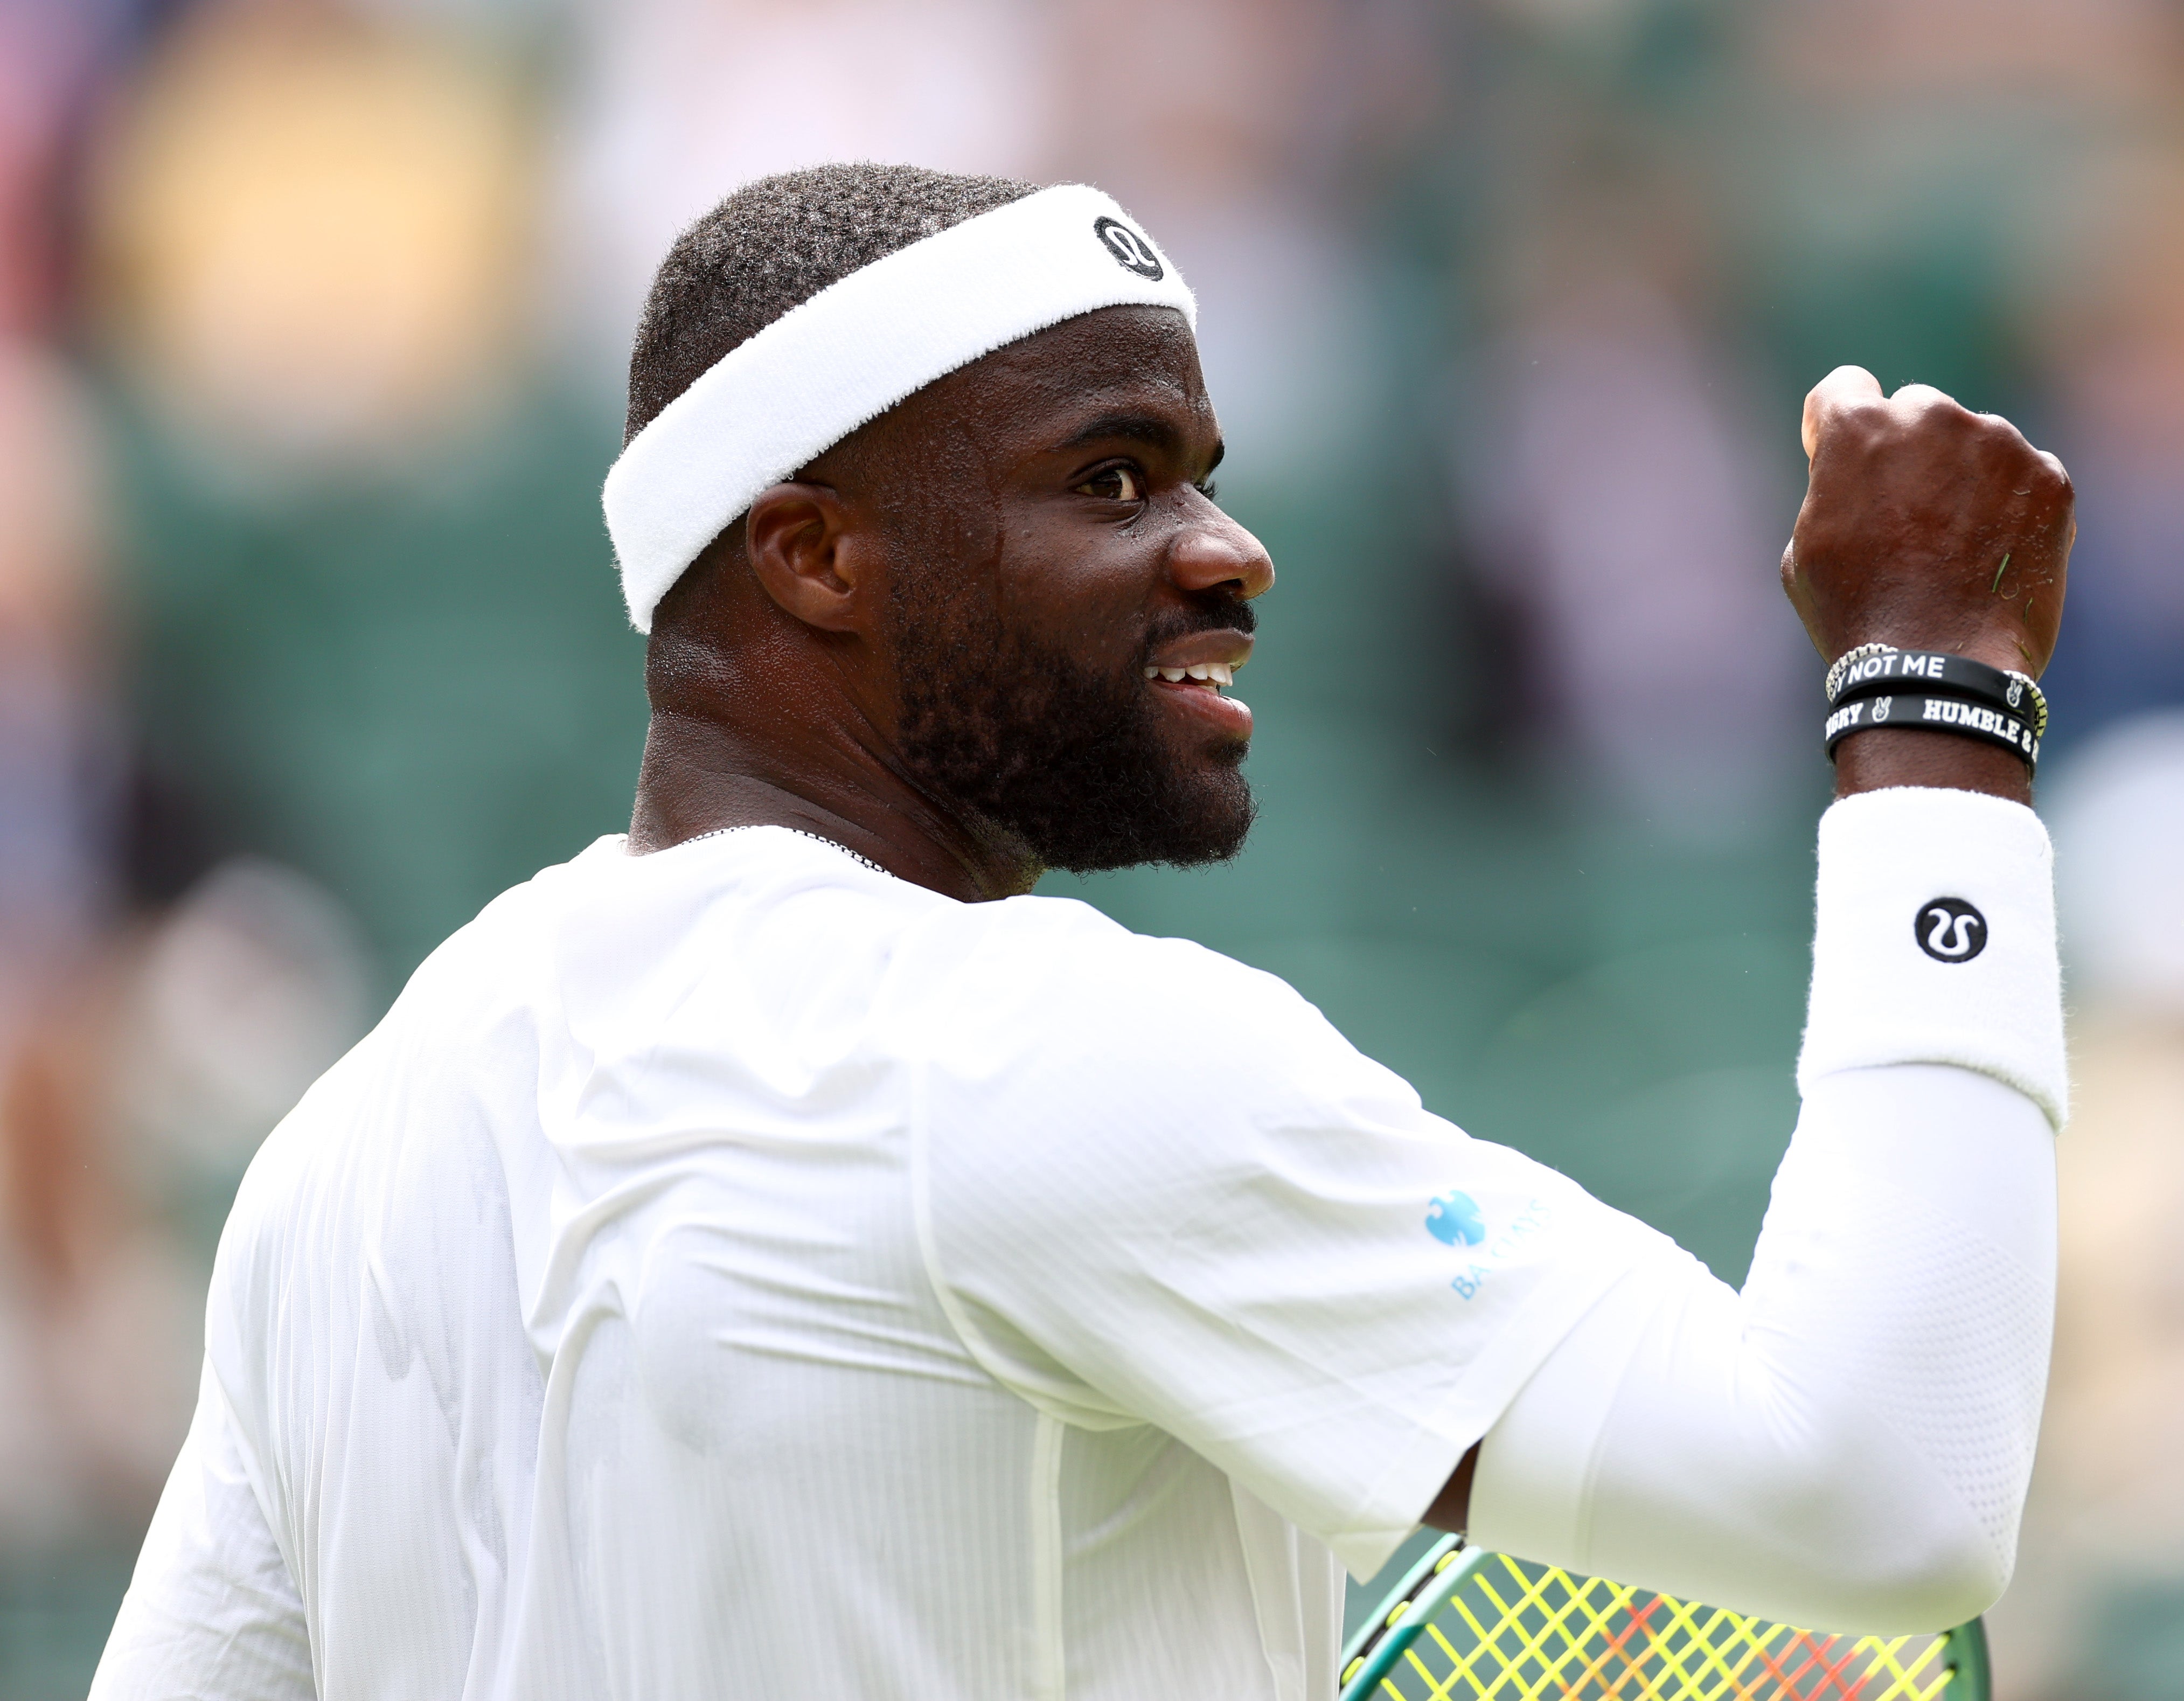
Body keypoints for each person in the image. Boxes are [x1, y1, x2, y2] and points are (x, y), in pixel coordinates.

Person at [89, 163, 2075, 1700]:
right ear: (815, 554)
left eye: (1204, 475)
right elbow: (1885, 1489)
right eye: (1111, 478)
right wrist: (1938, 701)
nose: (1229, 549)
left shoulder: (343, 1155)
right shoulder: (1036, 1055)